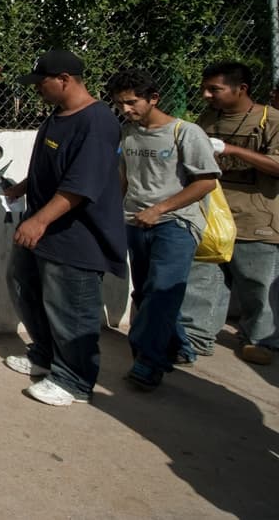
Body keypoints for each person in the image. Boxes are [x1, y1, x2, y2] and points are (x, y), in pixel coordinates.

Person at [3, 49, 125, 406]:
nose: (37, 90)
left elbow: (80, 184)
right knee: (23, 283)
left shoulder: (97, 122)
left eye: (42, 83)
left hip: (75, 235)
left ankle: (74, 381)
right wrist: (24, 188)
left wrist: (39, 220)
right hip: (43, 227)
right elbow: (54, 166)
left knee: (72, 307)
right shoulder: (59, 116)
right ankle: (44, 355)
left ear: (64, 80)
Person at [105, 68, 219, 390]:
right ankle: (179, 345)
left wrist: (160, 209)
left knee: (160, 291)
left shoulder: (186, 132)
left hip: (177, 223)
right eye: (120, 104)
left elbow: (207, 181)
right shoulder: (128, 133)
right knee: (146, 292)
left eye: (131, 102)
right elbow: (124, 177)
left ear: (153, 98)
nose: (125, 109)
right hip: (135, 221)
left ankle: (148, 362)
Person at [180, 61, 279, 366]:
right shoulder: (209, 117)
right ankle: (196, 338)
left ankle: (260, 340)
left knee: (257, 283)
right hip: (211, 216)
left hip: (257, 218)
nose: (206, 95)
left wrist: (232, 150)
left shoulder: (270, 120)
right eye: (204, 88)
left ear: (241, 89)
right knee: (203, 278)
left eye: (215, 89)